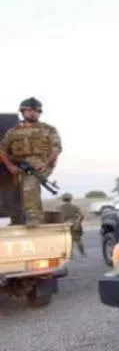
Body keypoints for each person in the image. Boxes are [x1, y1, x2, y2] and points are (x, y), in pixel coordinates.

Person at [0, 97, 63, 225]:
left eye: (36, 111)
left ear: (39, 113)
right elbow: (2, 149)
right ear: (23, 112)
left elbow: (56, 148)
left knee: (30, 183)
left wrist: (46, 163)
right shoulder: (13, 131)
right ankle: (17, 218)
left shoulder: (48, 129)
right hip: (18, 163)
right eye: (29, 110)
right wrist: (10, 166)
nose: (32, 113)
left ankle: (33, 216)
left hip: (40, 162)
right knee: (13, 189)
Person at [58, 193, 85, 258]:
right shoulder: (75, 206)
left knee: (68, 240)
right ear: (70, 199)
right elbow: (82, 215)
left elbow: (57, 217)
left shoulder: (59, 208)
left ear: (63, 199)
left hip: (64, 225)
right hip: (75, 224)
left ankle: (70, 255)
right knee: (78, 240)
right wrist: (78, 222)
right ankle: (82, 253)